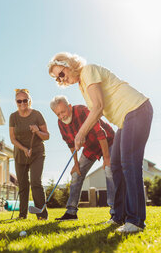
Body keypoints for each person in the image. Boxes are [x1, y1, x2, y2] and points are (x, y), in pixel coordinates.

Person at [48, 52, 153, 233]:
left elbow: (98, 107)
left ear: (69, 64)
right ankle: (119, 217)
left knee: (129, 164)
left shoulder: (88, 71)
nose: (61, 80)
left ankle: (136, 221)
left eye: (61, 74)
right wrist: (82, 134)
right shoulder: (82, 84)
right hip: (124, 121)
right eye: (58, 78)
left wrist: (81, 132)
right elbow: (95, 114)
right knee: (116, 167)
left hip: (136, 110)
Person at [50, 95, 115, 221]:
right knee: (76, 174)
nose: (62, 116)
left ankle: (115, 212)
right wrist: (75, 164)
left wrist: (106, 158)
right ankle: (71, 212)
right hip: (90, 146)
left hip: (108, 140)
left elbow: (101, 134)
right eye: (58, 114)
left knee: (109, 170)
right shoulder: (61, 123)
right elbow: (71, 144)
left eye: (63, 111)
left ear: (69, 107)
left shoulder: (82, 110)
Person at [9, 89, 50, 220]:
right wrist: (24, 149)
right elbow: (12, 139)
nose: (22, 103)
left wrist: (37, 131)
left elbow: (47, 136)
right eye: (19, 101)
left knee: (35, 182)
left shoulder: (37, 115)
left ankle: (42, 215)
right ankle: (22, 215)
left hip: (37, 153)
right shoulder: (13, 117)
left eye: (25, 100)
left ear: (29, 100)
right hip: (20, 154)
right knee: (23, 184)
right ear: (16, 102)